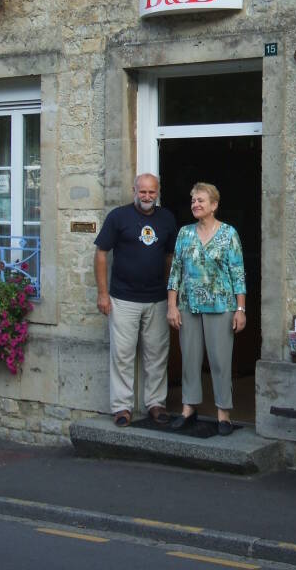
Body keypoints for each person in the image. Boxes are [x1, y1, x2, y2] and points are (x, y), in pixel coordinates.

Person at [94, 173, 177, 427]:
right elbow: (100, 255)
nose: (147, 197)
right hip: (123, 298)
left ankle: (155, 403)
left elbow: (170, 258)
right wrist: (102, 293)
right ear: (134, 191)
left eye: (152, 192)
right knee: (122, 355)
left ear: (158, 192)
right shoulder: (118, 217)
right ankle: (122, 407)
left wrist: (169, 291)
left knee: (157, 354)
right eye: (143, 192)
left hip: (157, 299)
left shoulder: (167, 218)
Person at [167, 182, 246, 436]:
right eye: (193, 200)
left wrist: (241, 308)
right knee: (189, 358)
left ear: (214, 205)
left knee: (220, 361)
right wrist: (172, 306)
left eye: (201, 200)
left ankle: (224, 414)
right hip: (188, 305)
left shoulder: (229, 234)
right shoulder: (184, 233)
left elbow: (237, 273)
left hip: (221, 305)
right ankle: (188, 409)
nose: (196, 204)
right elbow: (175, 271)